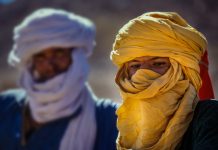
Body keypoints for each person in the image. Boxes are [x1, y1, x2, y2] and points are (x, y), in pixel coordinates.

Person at [0, 8, 117, 150]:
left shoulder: (109, 120)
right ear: (31, 62)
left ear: (77, 57)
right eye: (40, 56)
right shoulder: (6, 106)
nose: (50, 66)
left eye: (59, 53)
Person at [110, 12, 218, 150]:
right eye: (135, 66)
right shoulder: (126, 130)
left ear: (183, 70)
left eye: (158, 64)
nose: (143, 73)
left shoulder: (209, 117)